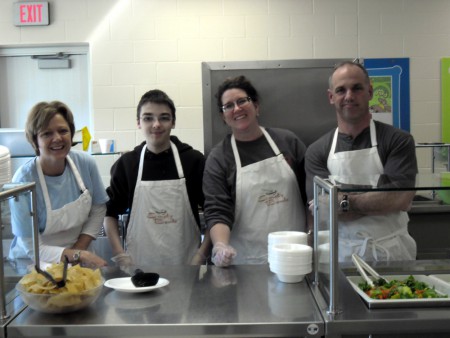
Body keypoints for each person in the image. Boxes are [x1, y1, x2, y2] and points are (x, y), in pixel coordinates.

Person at [305, 61, 418, 262]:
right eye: (341, 90)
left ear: (370, 92)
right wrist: (379, 200)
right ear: (331, 97)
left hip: (392, 254)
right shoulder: (317, 150)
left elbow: (401, 198)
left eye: (357, 88)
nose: (349, 96)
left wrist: (344, 201)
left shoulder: (398, 140)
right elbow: (322, 209)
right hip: (340, 257)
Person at [203, 75, 308, 266]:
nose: (237, 108)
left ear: (256, 106)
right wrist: (220, 245)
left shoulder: (288, 141)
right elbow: (217, 210)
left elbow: (311, 196)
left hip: (294, 257)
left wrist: (312, 237)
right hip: (246, 262)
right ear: (223, 117)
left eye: (242, 101)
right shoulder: (219, 157)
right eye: (228, 105)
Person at [104, 89, 209, 267]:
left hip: (187, 267)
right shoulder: (127, 165)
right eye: (148, 118)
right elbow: (109, 213)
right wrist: (119, 253)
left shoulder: (193, 161)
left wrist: (201, 255)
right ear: (138, 123)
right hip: (138, 268)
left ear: (173, 122)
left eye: (164, 117)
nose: (156, 124)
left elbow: (215, 212)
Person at [8, 101, 109, 267]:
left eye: (63, 131)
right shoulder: (23, 180)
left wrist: (78, 252)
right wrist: (77, 255)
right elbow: (32, 248)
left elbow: (98, 209)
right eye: (47, 133)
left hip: (78, 259)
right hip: (36, 265)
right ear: (35, 140)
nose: (57, 138)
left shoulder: (85, 163)